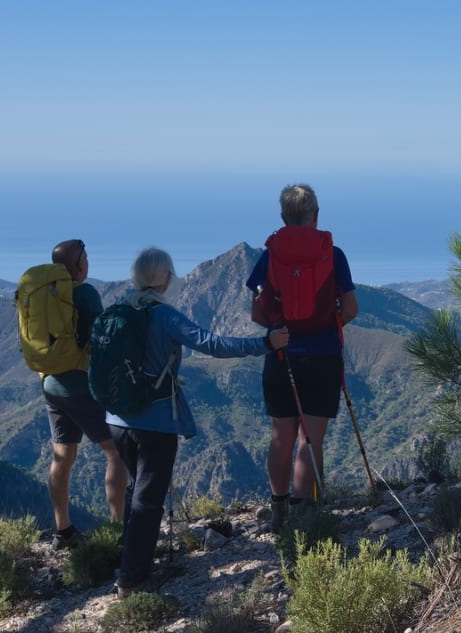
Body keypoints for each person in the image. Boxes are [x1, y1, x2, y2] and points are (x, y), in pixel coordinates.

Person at [106, 247, 288, 599]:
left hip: (116, 419)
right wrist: (265, 343)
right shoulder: (164, 317)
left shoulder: (119, 310)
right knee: (147, 499)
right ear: (164, 278)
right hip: (154, 423)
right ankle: (131, 581)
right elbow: (213, 344)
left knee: (136, 492)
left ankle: (129, 564)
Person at [247, 184, 358, 532]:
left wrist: (282, 329)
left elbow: (257, 314)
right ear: (316, 215)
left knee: (281, 436)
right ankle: (306, 512)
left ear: (283, 217)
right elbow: (351, 307)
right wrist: (326, 324)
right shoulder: (333, 253)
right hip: (322, 356)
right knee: (310, 439)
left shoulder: (269, 255)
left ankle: (278, 508)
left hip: (281, 354)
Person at [41, 238, 129, 549]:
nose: (88, 263)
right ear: (79, 265)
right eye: (86, 259)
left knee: (62, 457)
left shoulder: (42, 296)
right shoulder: (85, 293)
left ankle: (62, 531)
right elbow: (101, 341)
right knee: (116, 453)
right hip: (82, 385)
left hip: (52, 385)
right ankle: (120, 530)